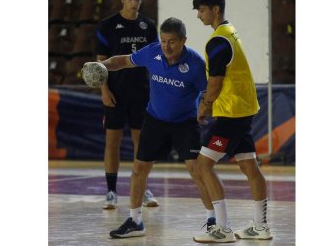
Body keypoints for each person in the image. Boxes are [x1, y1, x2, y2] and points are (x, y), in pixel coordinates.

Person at [87, 17, 215, 239]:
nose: (166, 46)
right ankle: (135, 221)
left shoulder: (195, 64)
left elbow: (209, 92)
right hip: (155, 120)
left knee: (197, 170)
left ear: (184, 40)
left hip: (185, 123)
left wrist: (204, 108)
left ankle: (213, 221)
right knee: (139, 169)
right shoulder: (153, 52)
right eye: (163, 41)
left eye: (172, 42)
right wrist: (103, 65)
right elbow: (124, 61)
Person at [191, 0, 273, 243]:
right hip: (244, 111)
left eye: (201, 10)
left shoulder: (217, 41)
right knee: (250, 166)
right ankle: (261, 226)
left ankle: (222, 228)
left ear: (215, 9)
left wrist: (204, 106)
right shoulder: (231, 32)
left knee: (203, 166)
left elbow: (214, 84)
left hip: (231, 115)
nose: (199, 15)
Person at [95, 0, 158, 209]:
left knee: (141, 143)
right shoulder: (107, 26)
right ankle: (111, 191)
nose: (134, 2)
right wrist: (104, 90)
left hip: (141, 92)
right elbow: (100, 63)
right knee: (112, 141)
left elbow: (154, 61)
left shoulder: (149, 26)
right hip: (115, 92)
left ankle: (143, 188)